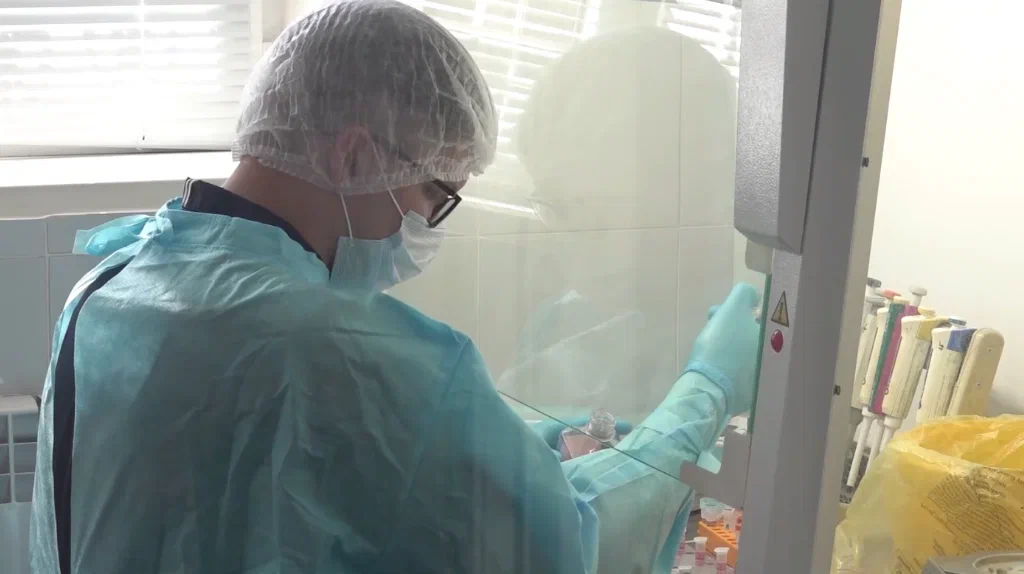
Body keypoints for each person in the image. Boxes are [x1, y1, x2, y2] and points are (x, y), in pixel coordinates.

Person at [29, 2, 759, 573]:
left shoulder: (110, 286)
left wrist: (508, 451)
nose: (426, 230)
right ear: (354, 156)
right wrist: (706, 391)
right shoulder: (345, 351)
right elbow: (570, 545)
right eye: (434, 197)